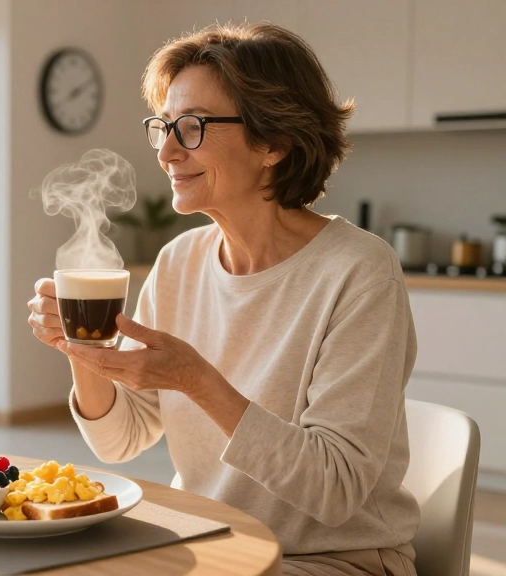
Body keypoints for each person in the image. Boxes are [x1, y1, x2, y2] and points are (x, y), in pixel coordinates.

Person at [28, 23, 420, 576]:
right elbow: (122, 440)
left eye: (191, 127)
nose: (165, 151)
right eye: (162, 126)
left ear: (273, 143)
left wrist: (198, 381)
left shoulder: (358, 271)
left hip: (333, 559)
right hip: (215, 542)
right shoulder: (180, 261)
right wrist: (81, 349)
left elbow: (335, 490)